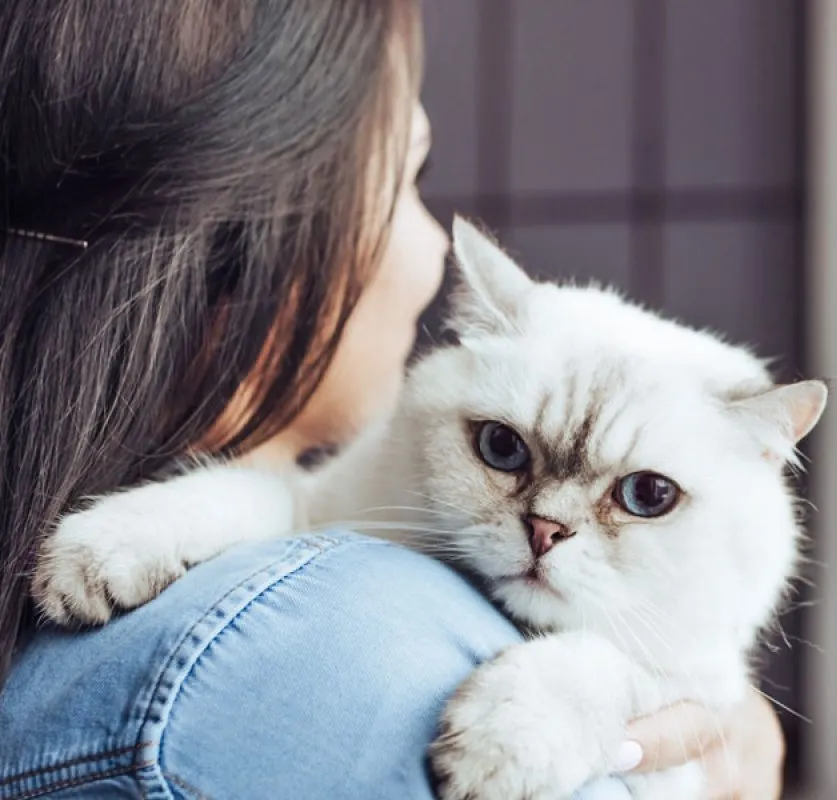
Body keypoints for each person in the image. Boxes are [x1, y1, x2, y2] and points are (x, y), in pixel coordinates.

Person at [0, 2, 783, 798]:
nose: (550, 525)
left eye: (643, 496)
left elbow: (303, 509)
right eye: (413, 179)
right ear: (244, 239)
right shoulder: (344, 652)